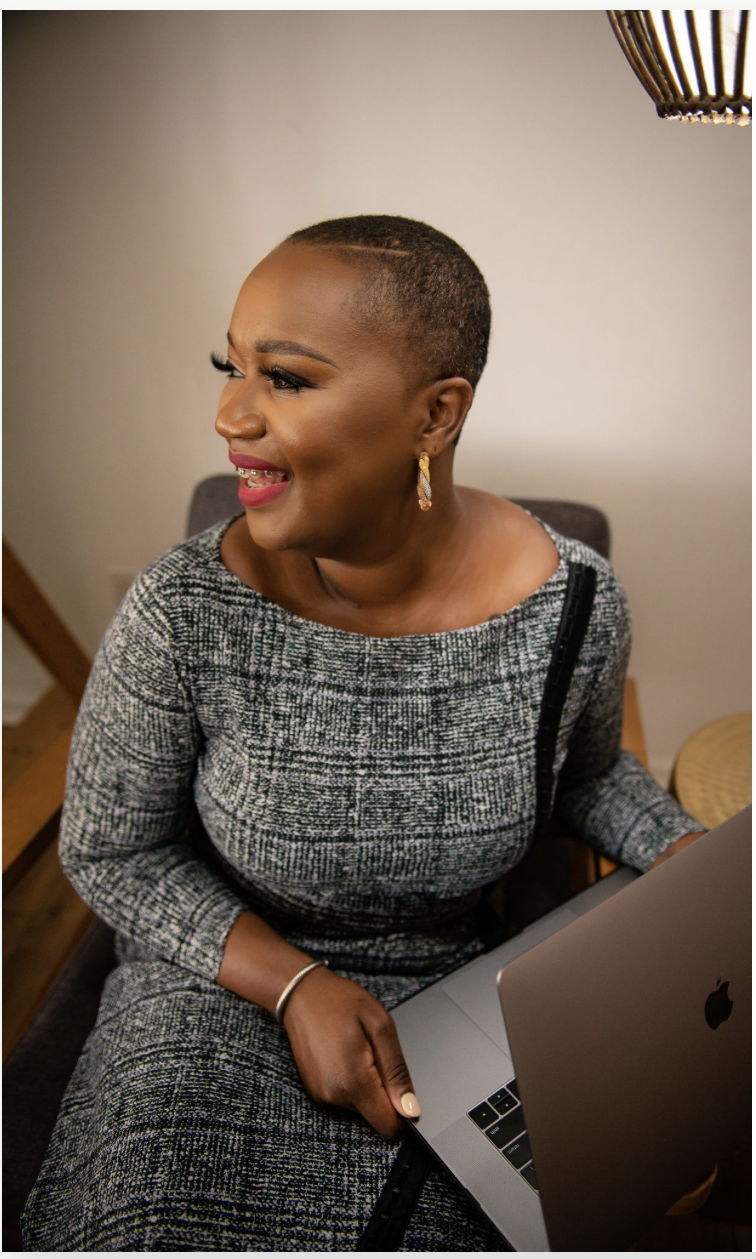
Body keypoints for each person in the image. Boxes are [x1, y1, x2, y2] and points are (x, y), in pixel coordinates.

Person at [22, 215, 704, 1251]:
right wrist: (295, 984)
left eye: (285, 379)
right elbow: (112, 845)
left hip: (464, 1003)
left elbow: (586, 774)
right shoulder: (183, 607)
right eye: (230, 365)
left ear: (436, 414)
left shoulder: (575, 603)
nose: (228, 412)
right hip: (222, 985)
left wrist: (695, 857)